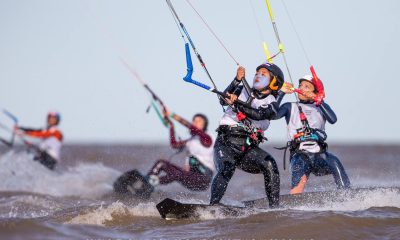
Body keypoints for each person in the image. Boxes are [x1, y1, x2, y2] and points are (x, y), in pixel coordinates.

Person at [209, 62, 285, 208]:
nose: (258, 75)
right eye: (257, 73)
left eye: (263, 74)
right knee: (227, 167)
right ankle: (213, 206)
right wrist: (237, 80)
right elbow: (222, 99)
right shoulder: (241, 89)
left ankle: (274, 209)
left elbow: (259, 114)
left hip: (247, 148)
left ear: (274, 83)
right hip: (226, 142)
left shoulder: (272, 103)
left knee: (270, 164)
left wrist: (237, 103)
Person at [275, 75, 351, 194]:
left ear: (315, 92)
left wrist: (318, 100)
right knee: (301, 175)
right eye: (300, 85)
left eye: (307, 87)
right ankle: (294, 200)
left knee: (335, 162)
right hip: (299, 154)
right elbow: (272, 115)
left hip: (319, 155)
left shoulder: (321, 107)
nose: (301, 88)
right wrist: (281, 93)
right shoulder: (289, 107)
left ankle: (346, 194)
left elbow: (333, 119)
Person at [146, 112, 215, 191]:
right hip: (188, 176)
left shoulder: (208, 138)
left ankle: (152, 182)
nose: (195, 123)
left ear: (204, 125)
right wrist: (171, 126)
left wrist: (172, 115)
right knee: (161, 163)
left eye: (199, 121)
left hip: (203, 179)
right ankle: (145, 185)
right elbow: (174, 144)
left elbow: (192, 127)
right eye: (194, 121)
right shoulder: (190, 141)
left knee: (177, 174)